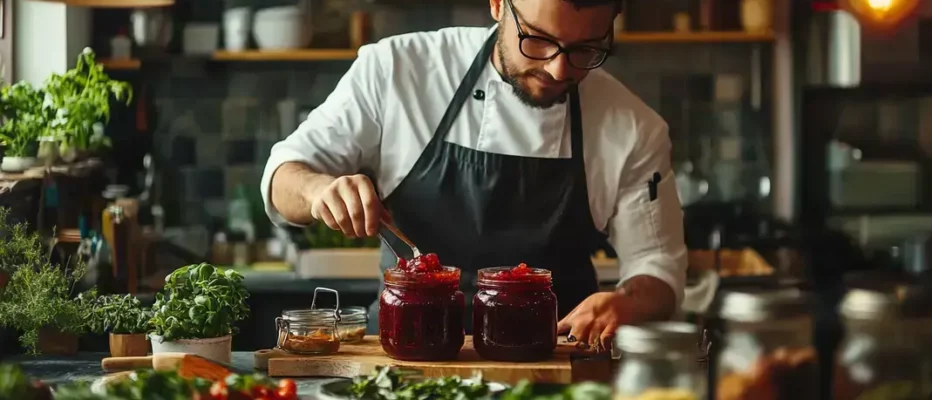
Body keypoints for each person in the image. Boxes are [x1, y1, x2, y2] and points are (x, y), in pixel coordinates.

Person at [260, 0, 687, 351]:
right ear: (499, 4)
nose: (559, 71)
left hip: (550, 364)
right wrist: (318, 190)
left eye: (585, 50)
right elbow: (283, 177)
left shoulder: (633, 128)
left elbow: (658, 267)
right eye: (537, 40)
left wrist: (628, 304)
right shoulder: (398, 70)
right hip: (404, 359)